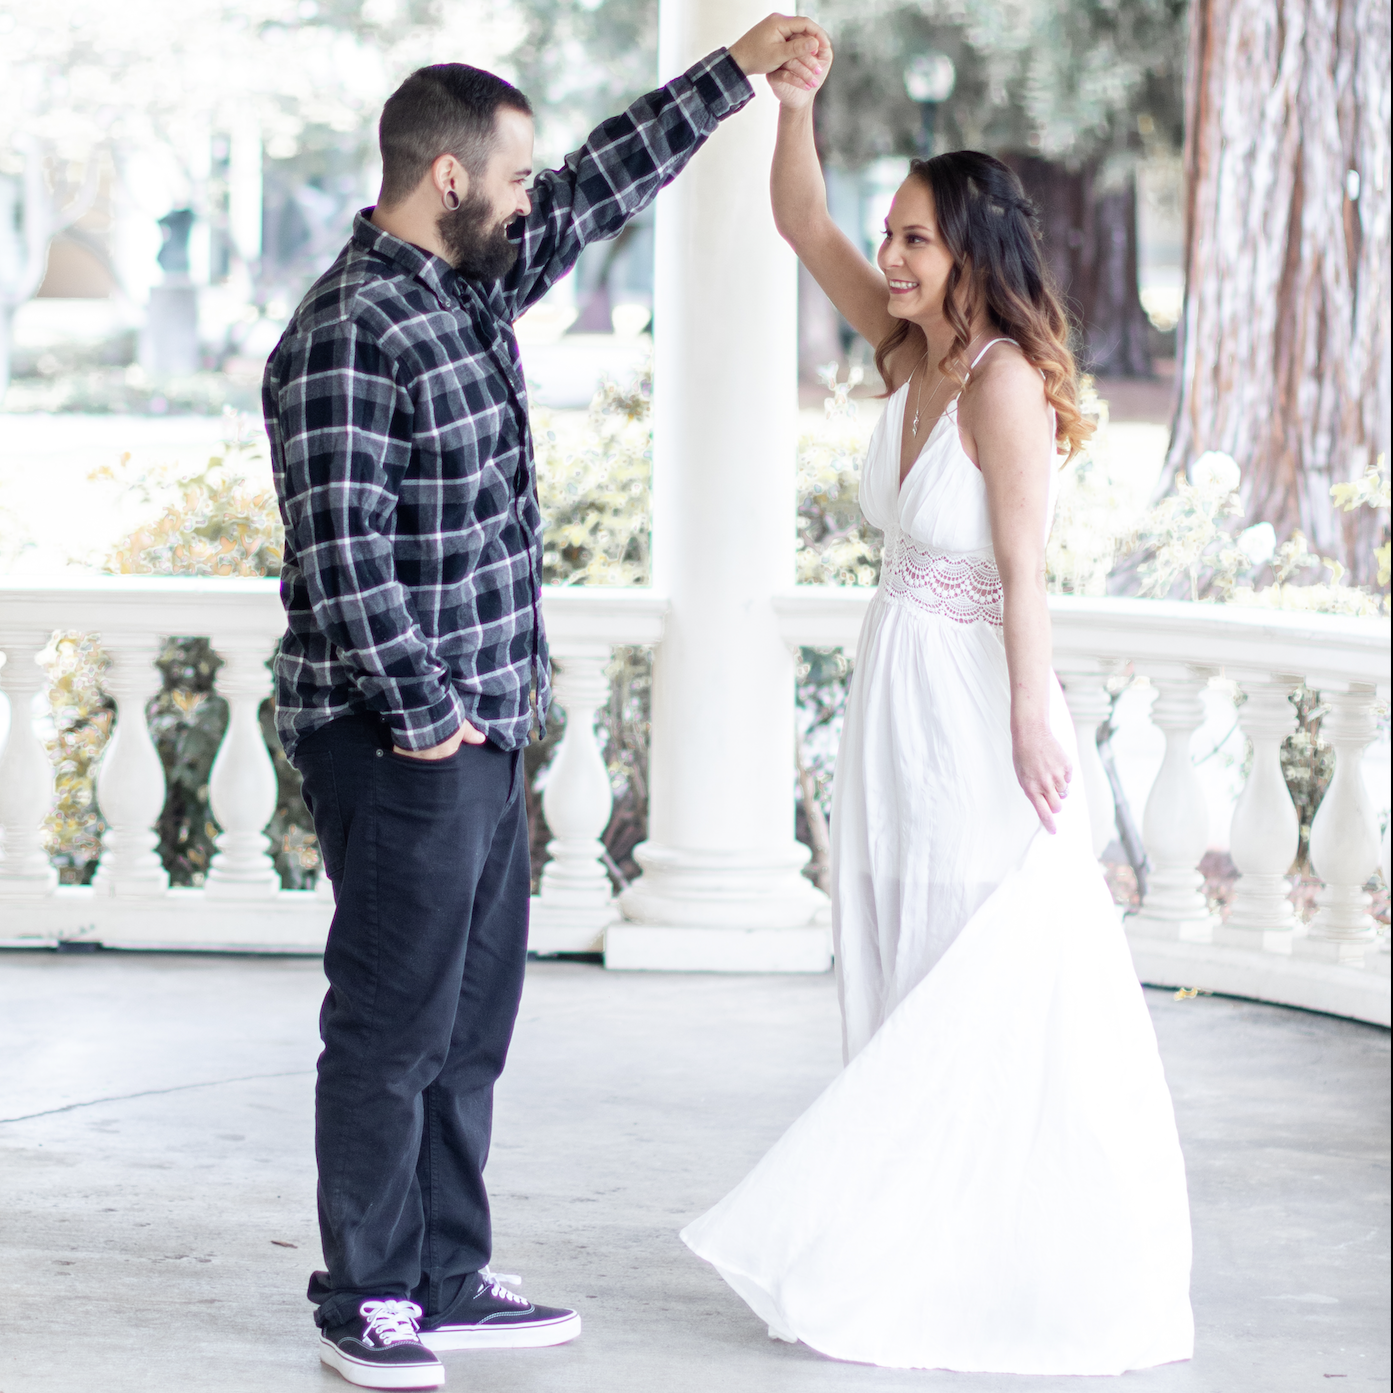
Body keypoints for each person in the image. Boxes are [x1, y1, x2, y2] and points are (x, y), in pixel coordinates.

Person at [262, 16, 829, 1390]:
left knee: (468, 1026)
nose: (533, 200)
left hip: (479, 728)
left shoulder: (467, 287)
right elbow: (341, 552)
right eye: (512, 178)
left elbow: (599, 182)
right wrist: (426, 714)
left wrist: (735, 74)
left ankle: (446, 1277)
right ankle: (367, 1295)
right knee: (391, 1025)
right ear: (448, 178)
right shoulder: (350, 329)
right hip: (400, 736)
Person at [681, 42, 1195, 1378]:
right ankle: (901, 1240)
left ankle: (983, 1252)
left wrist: (1033, 716)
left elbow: (1025, 569)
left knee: (976, 961)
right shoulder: (909, 352)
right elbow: (802, 219)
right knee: (896, 947)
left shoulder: (1005, 379)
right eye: (894, 234)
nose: (892, 255)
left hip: (975, 704)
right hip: (894, 693)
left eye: (915, 237)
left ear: (972, 249)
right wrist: (795, 106)